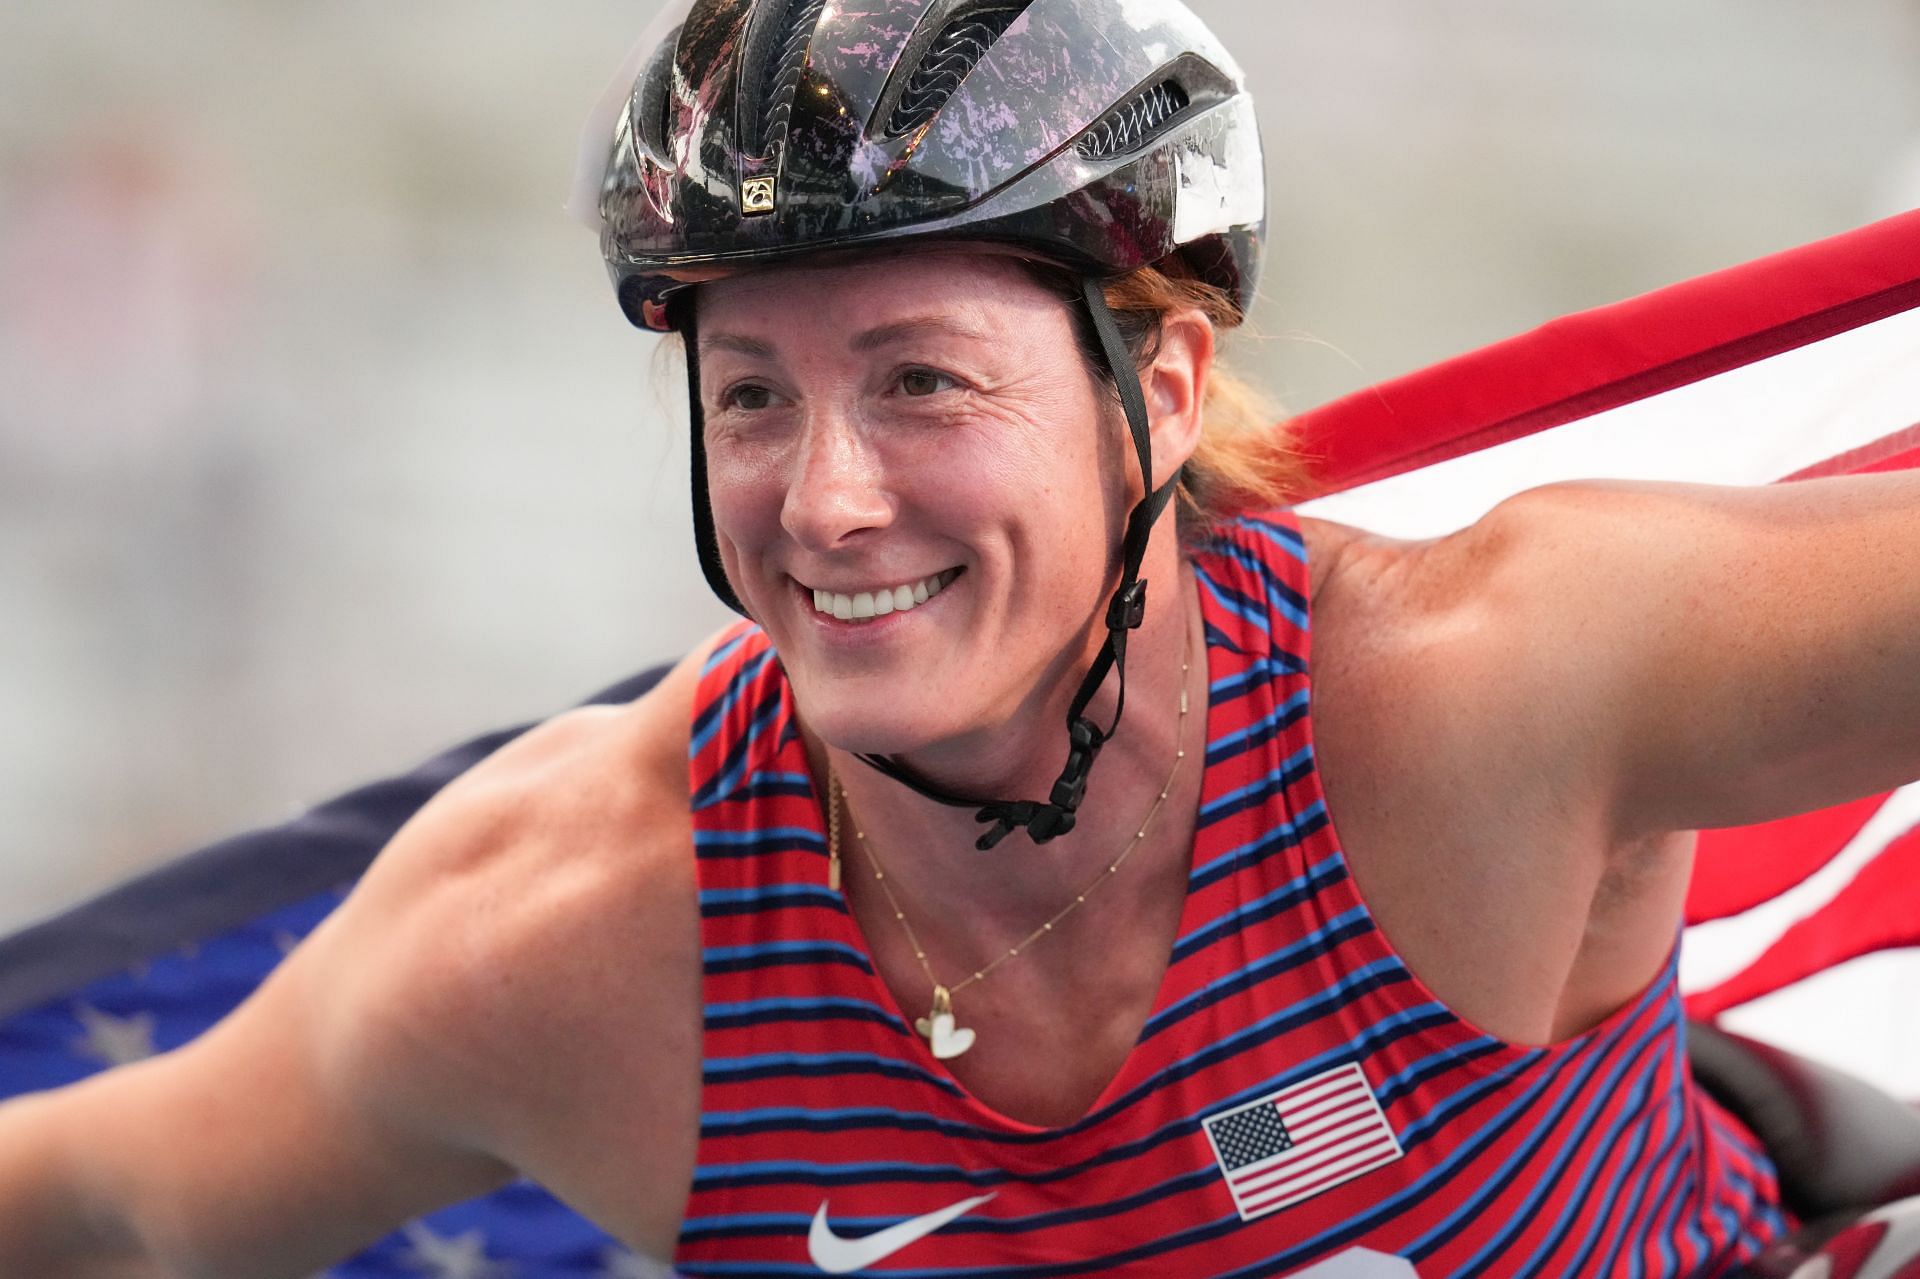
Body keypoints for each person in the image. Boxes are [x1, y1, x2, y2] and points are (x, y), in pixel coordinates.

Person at [2, 0, 1917, 1274]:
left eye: (921, 382)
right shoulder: (575, 930)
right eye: (752, 397)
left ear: (1158, 395)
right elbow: (108, 1196)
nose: (826, 500)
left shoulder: (1486, 686)